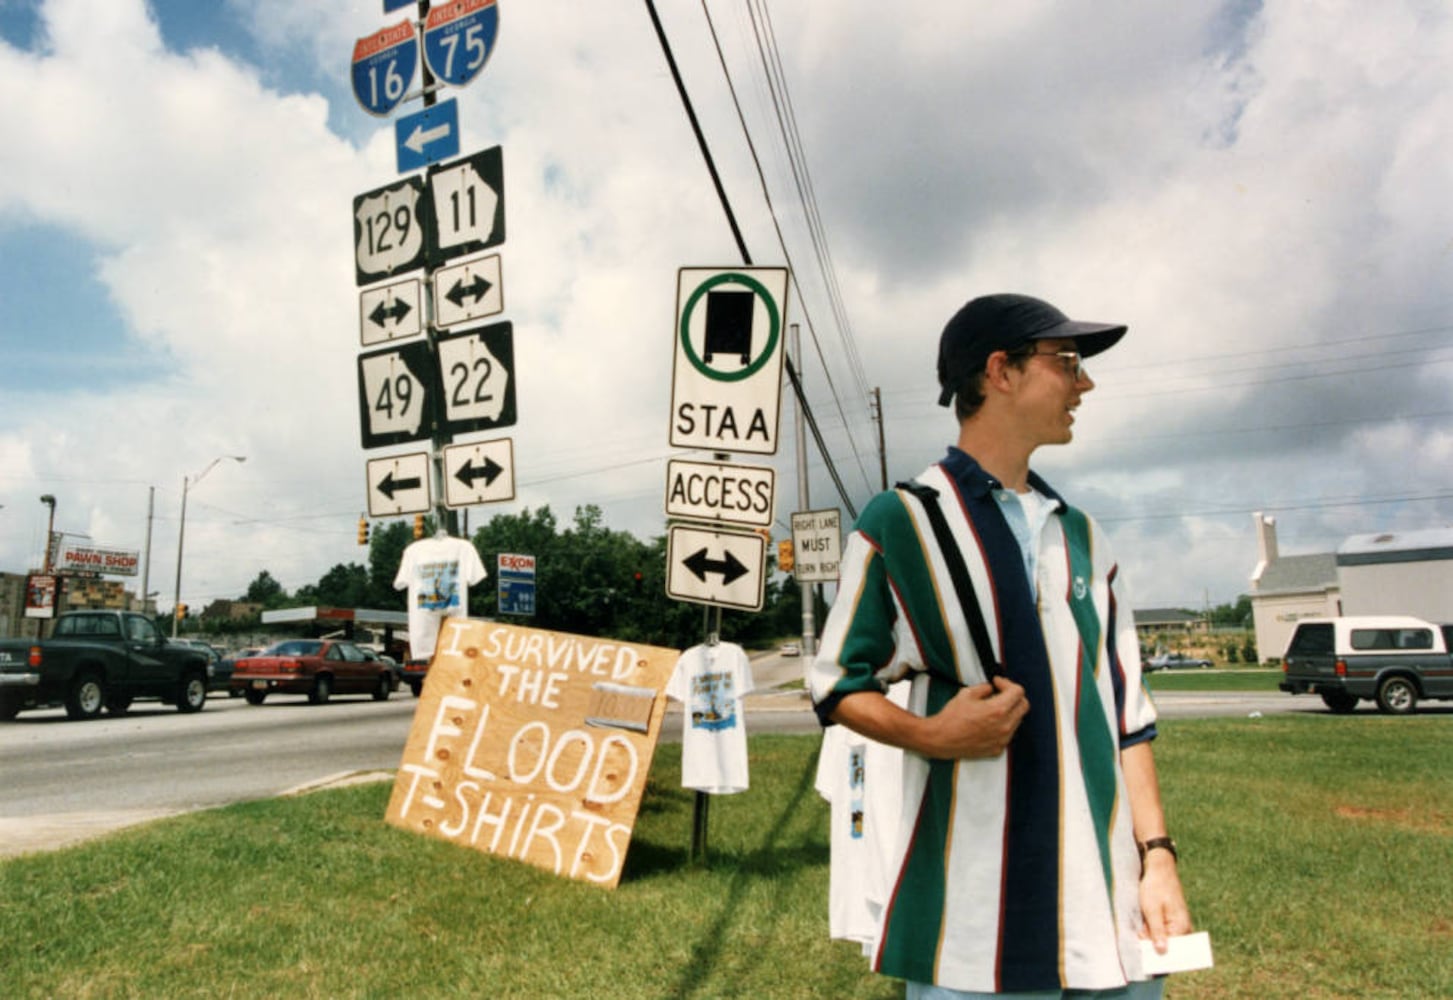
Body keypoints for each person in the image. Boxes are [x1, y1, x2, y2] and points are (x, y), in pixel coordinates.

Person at [807, 293, 1192, 999]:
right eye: (1066, 363)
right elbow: (836, 685)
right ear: (999, 372)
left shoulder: (1081, 535)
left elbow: (1127, 716)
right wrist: (931, 734)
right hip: (970, 930)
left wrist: (1157, 859)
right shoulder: (902, 522)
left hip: (1111, 918)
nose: (1084, 384)